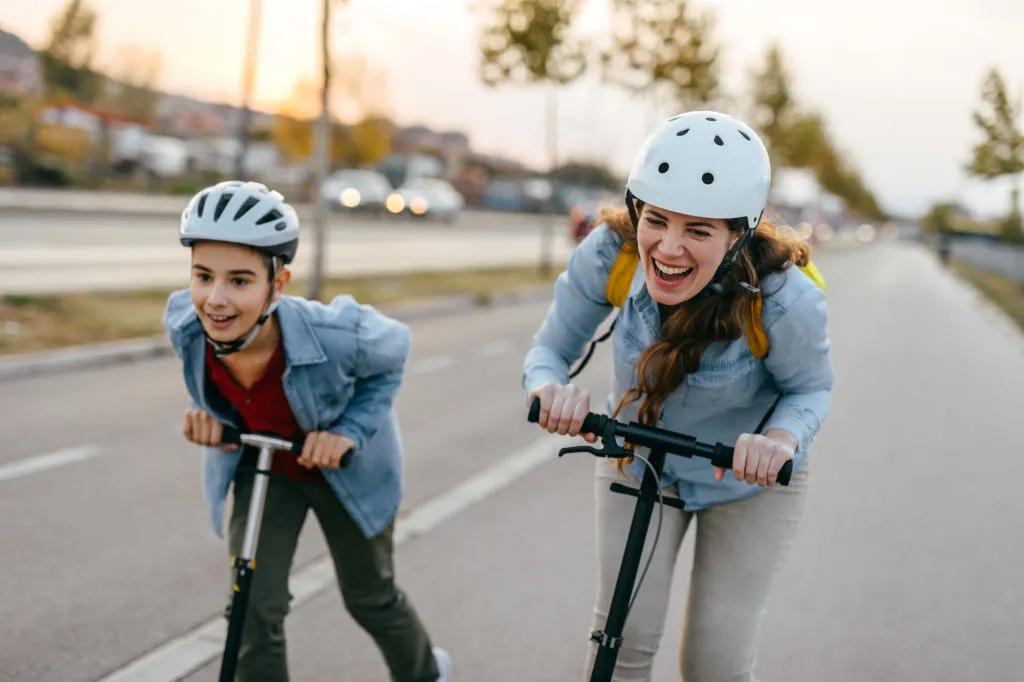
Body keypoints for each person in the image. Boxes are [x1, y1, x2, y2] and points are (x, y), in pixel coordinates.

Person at [523, 111, 834, 681]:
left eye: (698, 230)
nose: (668, 249)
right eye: (657, 219)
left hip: (746, 483)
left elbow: (810, 389)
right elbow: (548, 352)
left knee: (713, 664)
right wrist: (550, 390)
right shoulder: (609, 254)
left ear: (738, 232)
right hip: (639, 462)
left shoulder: (784, 299)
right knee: (619, 645)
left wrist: (779, 441)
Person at [163, 180, 452, 681]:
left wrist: (347, 431)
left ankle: (427, 674)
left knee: (369, 597)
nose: (214, 299)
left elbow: (396, 352)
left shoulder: (337, 333)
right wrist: (202, 414)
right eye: (203, 275)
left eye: (239, 281)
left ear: (278, 285)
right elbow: (206, 386)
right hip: (266, 466)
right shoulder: (186, 324)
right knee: (252, 606)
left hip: (345, 472)